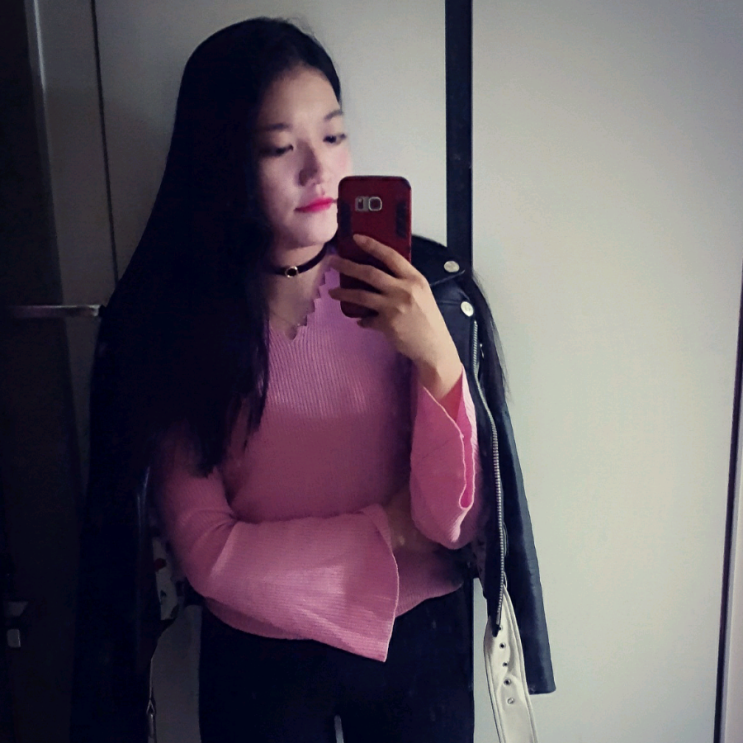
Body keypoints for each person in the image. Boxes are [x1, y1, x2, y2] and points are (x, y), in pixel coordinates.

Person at [70, 17, 555, 743]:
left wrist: (437, 359)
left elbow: (450, 522)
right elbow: (209, 556)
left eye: (333, 135)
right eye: (279, 147)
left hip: (418, 638)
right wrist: (387, 530)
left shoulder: (418, 291)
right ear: (222, 161)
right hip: (256, 653)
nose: (319, 171)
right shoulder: (176, 320)